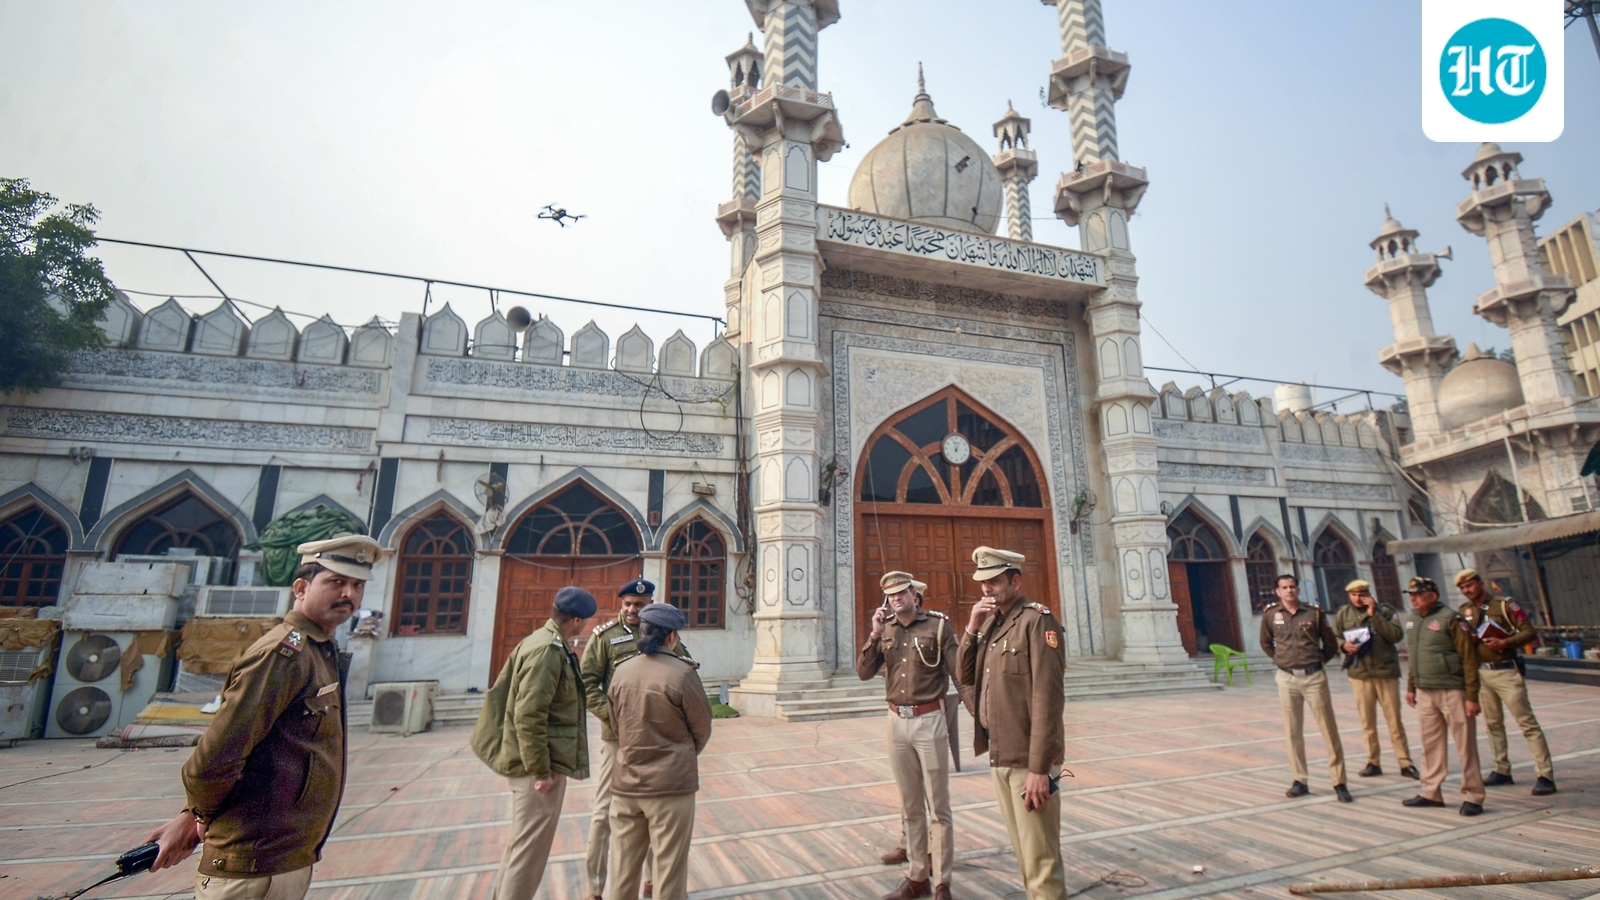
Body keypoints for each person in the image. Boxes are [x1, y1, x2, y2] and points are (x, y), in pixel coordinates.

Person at [145, 535, 382, 900]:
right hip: (252, 863)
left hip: (281, 858)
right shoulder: (282, 655)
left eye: (357, 585)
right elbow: (215, 758)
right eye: (336, 582)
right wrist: (198, 817)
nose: (348, 594)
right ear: (301, 588)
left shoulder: (317, 650)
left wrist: (192, 815)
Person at [471, 586, 596, 900]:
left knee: (521, 846)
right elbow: (529, 716)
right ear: (576, 620)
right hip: (537, 768)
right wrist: (541, 771)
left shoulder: (544, 641)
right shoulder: (547, 651)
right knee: (529, 855)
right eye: (585, 621)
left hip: (533, 761)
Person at [956, 547, 1067, 900]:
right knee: (1024, 851)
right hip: (1000, 753)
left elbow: (1048, 699)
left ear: (1015, 582)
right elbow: (965, 675)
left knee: (1040, 857)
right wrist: (972, 628)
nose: (986, 589)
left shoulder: (1037, 621)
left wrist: (1040, 769)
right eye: (983, 582)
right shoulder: (992, 624)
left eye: (995, 581)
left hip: (1028, 760)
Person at [580, 579, 695, 900]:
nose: (632, 610)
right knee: (605, 812)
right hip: (618, 738)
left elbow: (684, 669)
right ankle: (594, 887)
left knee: (657, 810)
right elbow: (586, 683)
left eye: (639, 605)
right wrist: (614, 717)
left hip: (656, 738)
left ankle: (653, 880)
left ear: (650, 606)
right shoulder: (605, 637)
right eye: (628, 604)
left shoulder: (663, 632)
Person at [857, 570, 963, 900]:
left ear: (914, 595)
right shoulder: (886, 629)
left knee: (938, 807)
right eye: (891, 595)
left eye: (901, 593)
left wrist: (980, 716)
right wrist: (874, 634)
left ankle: (942, 882)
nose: (896, 599)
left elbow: (959, 672)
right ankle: (917, 877)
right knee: (911, 805)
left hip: (929, 719)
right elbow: (863, 672)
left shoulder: (938, 626)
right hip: (896, 722)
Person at [606, 602, 713, 900]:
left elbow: (616, 726)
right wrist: (678, 754)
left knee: (622, 870)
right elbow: (702, 728)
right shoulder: (682, 674)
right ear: (672, 637)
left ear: (643, 631)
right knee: (668, 869)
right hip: (670, 787)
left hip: (627, 783)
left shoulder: (622, 672)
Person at [1455, 569, 1556, 795]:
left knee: (1527, 723)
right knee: (1493, 724)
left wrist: (1506, 642)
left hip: (1505, 672)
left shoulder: (1504, 605)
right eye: (1462, 588)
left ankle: (1545, 775)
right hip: (1482, 673)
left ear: (1481, 583)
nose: (1466, 590)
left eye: (1470, 585)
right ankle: (1501, 769)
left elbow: (1529, 632)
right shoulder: (1464, 610)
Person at [1258, 574, 1351, 802]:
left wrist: (1318, 661)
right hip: (1287, 678)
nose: (1289, 591)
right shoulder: (1271, 615)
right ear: (1277, 592)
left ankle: (1339, 782)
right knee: (1293, 730)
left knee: (1328, 729)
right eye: (1284, 587)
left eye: (1292, 587)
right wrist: (1280, 660)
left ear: (1298, 590)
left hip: (1313, 677)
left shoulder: (1314, 613)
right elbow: (1265, 642)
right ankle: (1299, 779)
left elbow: (1330, 644)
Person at [1402, 576, 1485, 815]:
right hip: (1425, 690)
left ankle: (1473, 796)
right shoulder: (1412, 620)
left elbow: (1469, 658)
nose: (1414, 599)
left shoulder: (1451, 619)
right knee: (1430, 743)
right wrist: (1411, 686)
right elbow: (1414, 656)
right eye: (1411, 595)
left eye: (1419, 594)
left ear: (1433, 596)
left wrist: (1472, 696)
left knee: (1465, 745)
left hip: (1453, 690)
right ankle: (1430, 792)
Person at [1332, 579, 1417, 780]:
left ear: (1369, 595)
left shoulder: (1385, 611)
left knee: (1394, 721)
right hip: (1360, 674)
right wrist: (1344, 646)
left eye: (1362, 595)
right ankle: (1373, 761)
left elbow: (1395, 635)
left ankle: (1405, 762)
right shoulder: (1343, 614)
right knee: (1367, 721)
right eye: (1354, 595)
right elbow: (1335, 637)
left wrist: (1374, 615)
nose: (1358, 599)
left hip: (1385, 672)